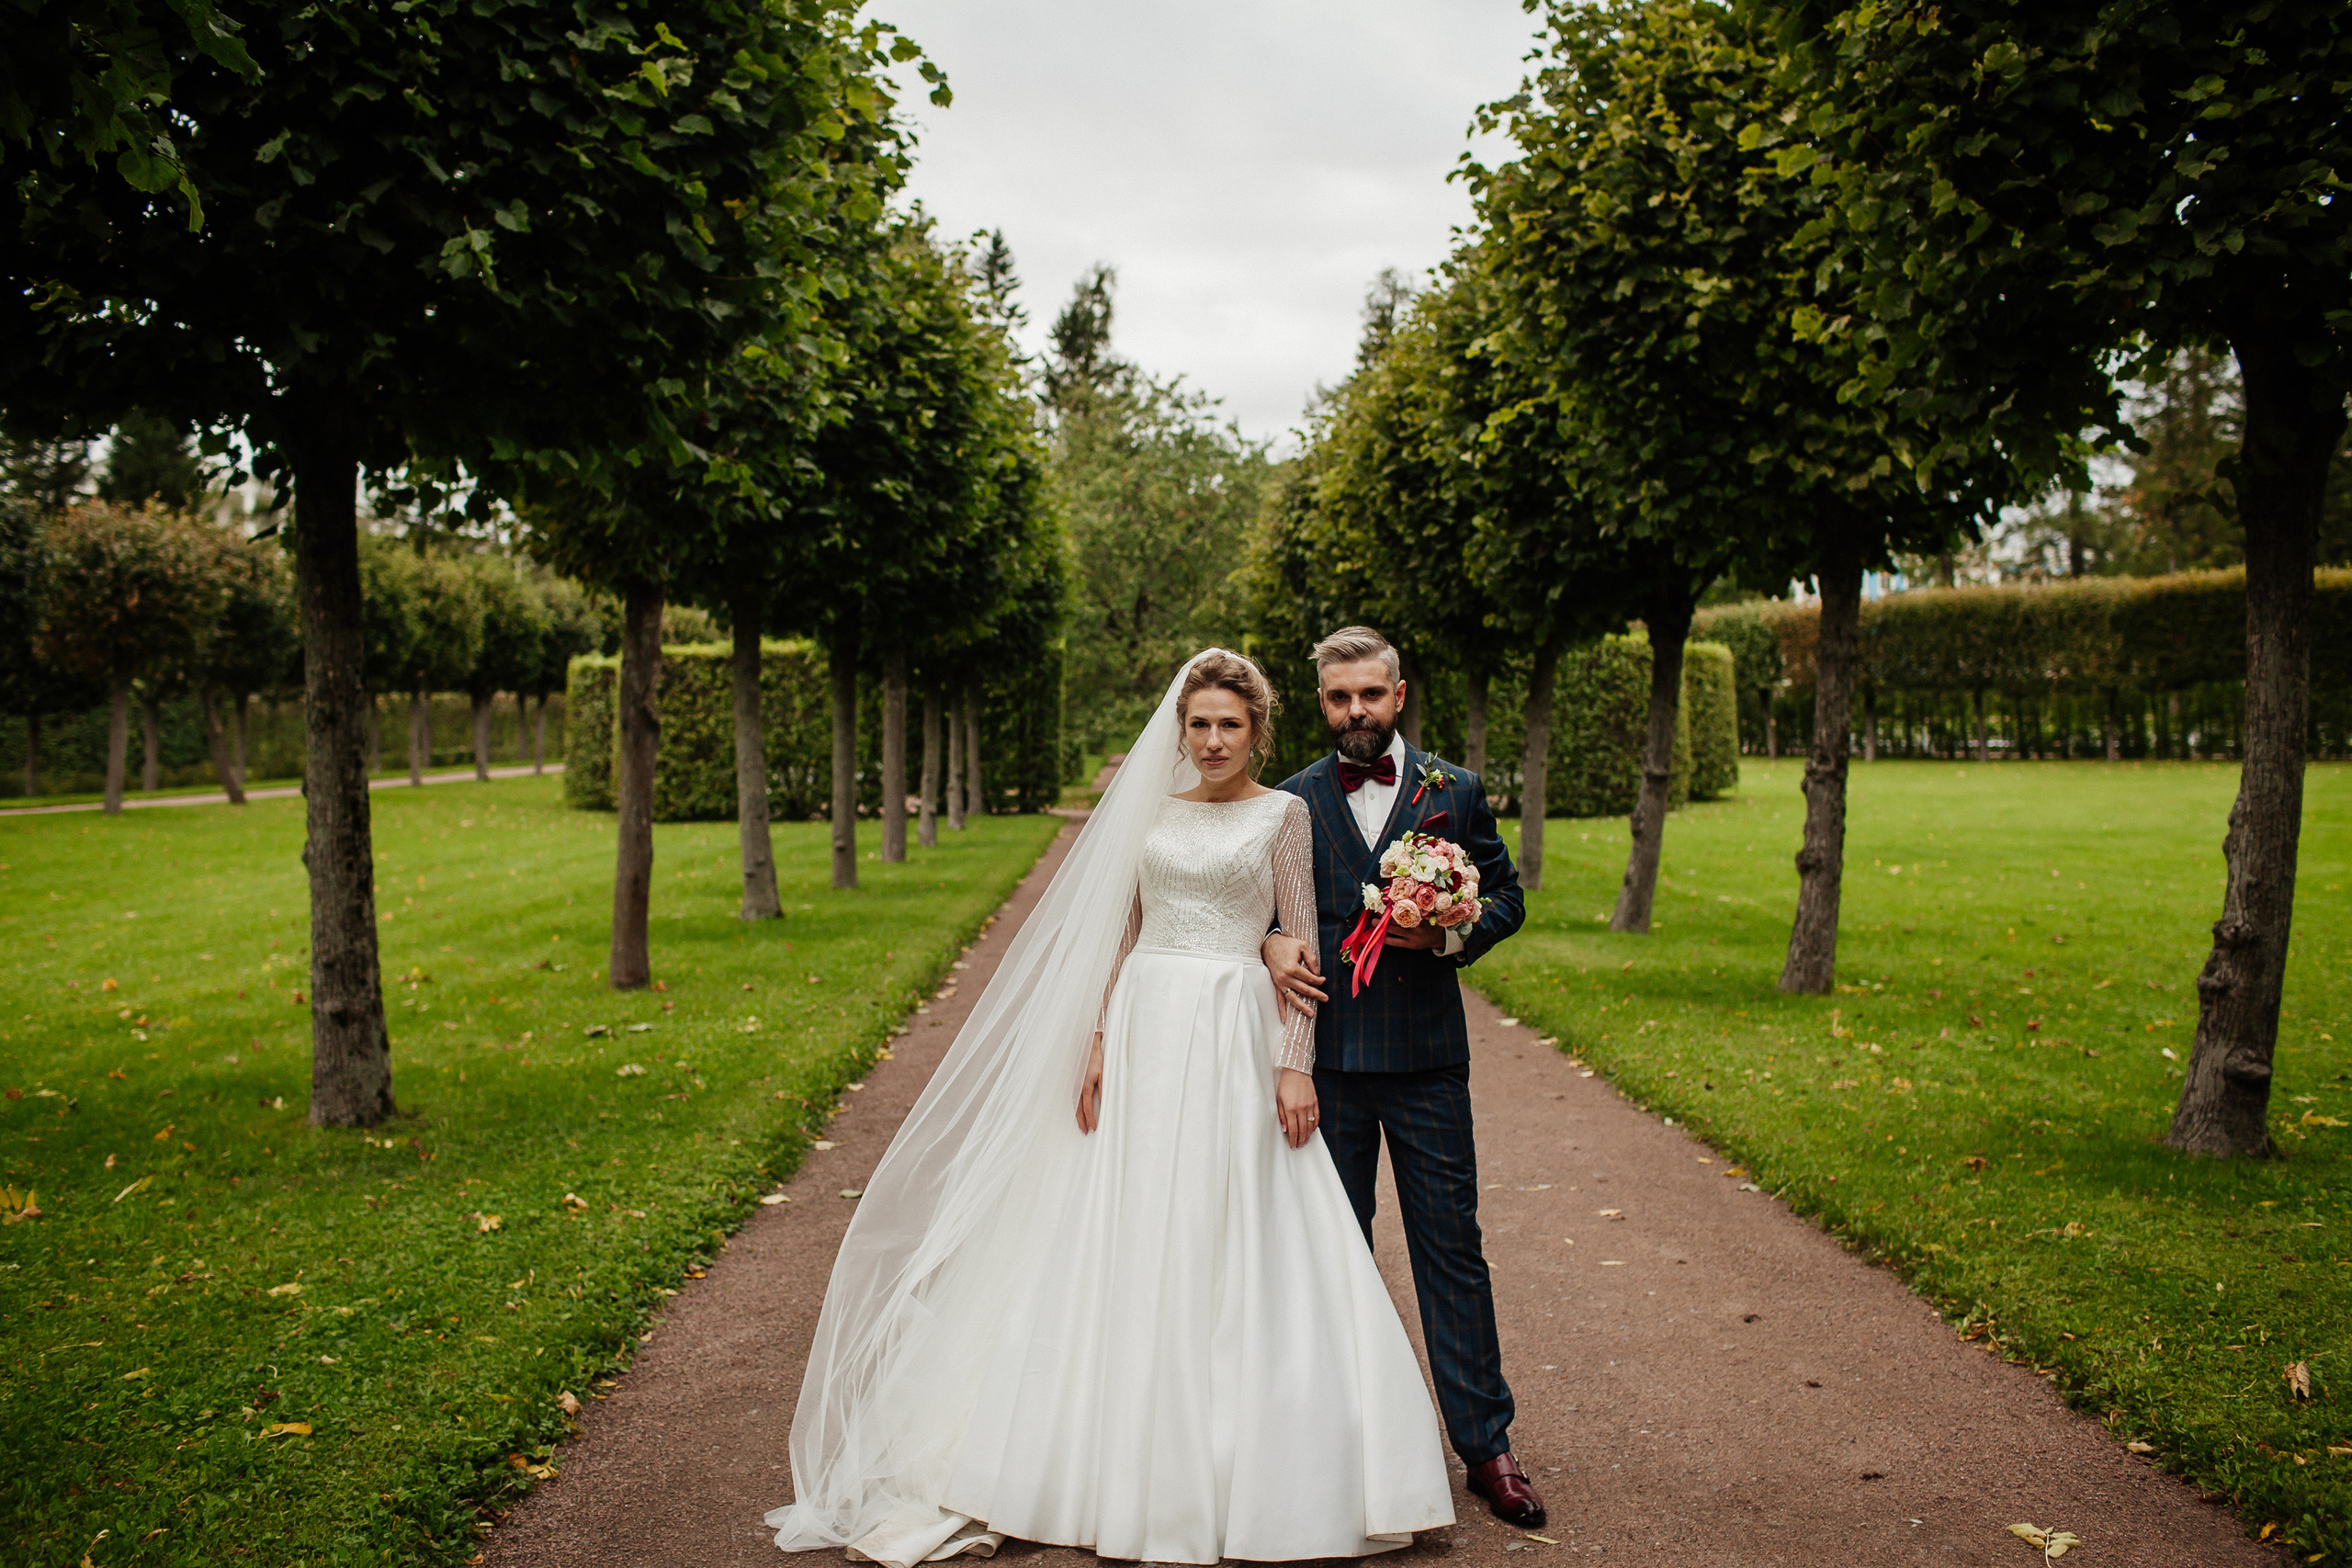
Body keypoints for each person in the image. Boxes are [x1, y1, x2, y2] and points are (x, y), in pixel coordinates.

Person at [766, 649, 1453, 1568]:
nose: (1212, 740)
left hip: (1230, 1034)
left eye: (1230, 725)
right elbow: (1122, 932)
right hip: (1145, 1027)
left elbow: (1297, 938)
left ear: (1257, 732)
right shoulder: (1151, 814)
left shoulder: (1284, 816)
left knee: (1238, 1228)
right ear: (1182, 730)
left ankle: (1257, 1470)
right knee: (1122, 1224)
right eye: (1199, 724)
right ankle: (1090, 1453)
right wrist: (1095, 1040)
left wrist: (1294, 1067)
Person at [1261, 625, 1546, 1529]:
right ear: (1322, 703)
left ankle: (1485, 1446)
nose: (1356, 713)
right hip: (1328, 1067)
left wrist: (1451, 932)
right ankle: (1341, 1444)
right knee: (1332, 1255)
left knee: (1450, 1251)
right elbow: (1256, 910)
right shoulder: (1290, 801)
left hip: (1425, 1061)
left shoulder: (1451, 791)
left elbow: (1505, 894)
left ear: (1399, 693)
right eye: (1339, 698)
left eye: (1371, 696)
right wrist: (1269, 942)